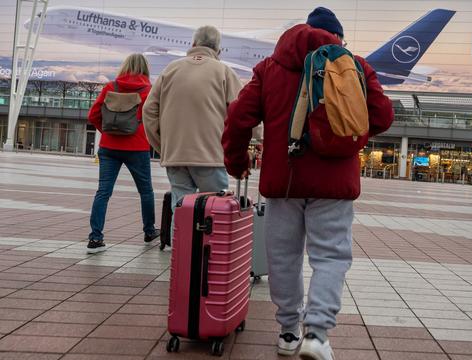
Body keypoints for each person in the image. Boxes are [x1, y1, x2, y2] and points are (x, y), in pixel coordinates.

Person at [222, 7, 393, 360]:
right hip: (335, 180)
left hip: (284, 179)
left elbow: (239, 118)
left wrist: (237, 162)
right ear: (338, 38)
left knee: (283, 257)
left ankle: (288, 331)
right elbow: (382, 116)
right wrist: (346, 136)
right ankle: (317, 332)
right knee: (330, 256)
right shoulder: (355, 65)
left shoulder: (270, 67)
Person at [142, 25, 243, 212]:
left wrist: (162, 145)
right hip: (210, 156)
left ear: (194, 44)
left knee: (180, 209)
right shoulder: (224, 72)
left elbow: (149, 110)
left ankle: (179, 242)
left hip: (175, 155)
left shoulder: (170, 69)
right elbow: (241, 113)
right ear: (218, 50)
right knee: (215, 210)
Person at [87, 53, 160, 253]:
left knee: (103, 192)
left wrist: (108, 133)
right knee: (146, 191)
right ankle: (149, 230)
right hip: (137, 148)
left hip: (109, 148)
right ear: (145, 68)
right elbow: (156, 119)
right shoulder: (149, 91)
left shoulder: (111, 87)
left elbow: (93, 115)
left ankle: (95, 238)